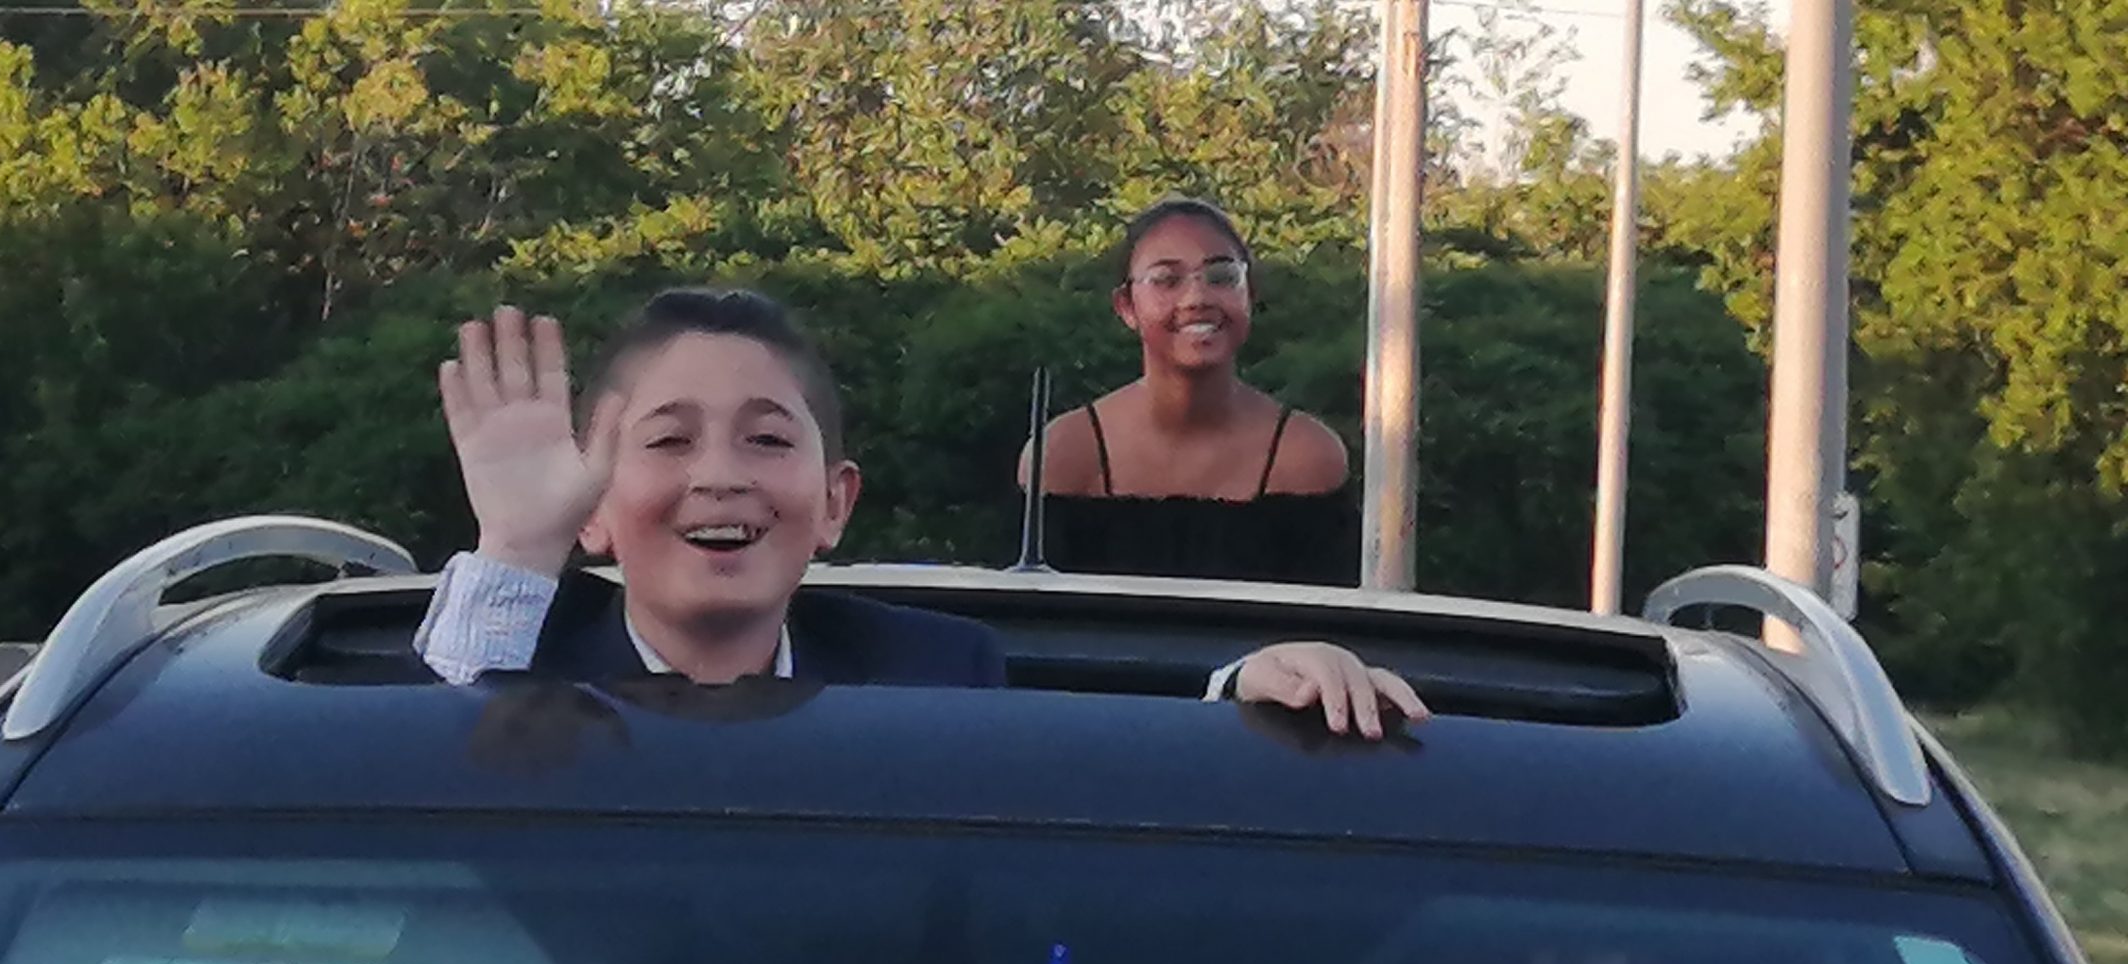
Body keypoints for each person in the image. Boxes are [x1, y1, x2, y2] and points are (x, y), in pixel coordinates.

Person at [422, 287, 1424, 731]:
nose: (719, 475)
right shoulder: (516, 663)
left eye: (767, 440)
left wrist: (1248, 697)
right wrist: (516, 544)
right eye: (668, 440)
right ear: (592, 509)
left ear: (834, 504)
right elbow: (412, 769)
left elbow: (1084, 777)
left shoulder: (934, 675)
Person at [1024, 197, 1358, 586]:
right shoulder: (1064, 455)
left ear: (1250, 293)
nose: (1198, 298)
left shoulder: (1305, 457)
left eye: (1221, 276)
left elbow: (1324, 619)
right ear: (1126, 306)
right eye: (1167, 280)